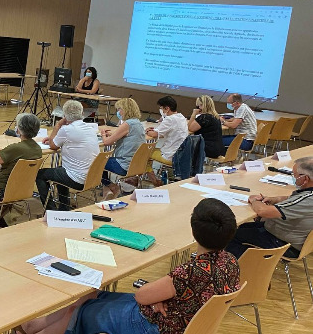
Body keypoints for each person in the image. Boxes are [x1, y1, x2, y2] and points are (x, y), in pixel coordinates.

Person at [19, 198, 240, 334]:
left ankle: (38, 330)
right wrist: (160, 297)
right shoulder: (231, 262)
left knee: (83, 308)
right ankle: (36, 326)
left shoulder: (189, 271)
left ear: (193, 230)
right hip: (186, 323)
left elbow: (142, 296)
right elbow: (181, 293)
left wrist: (155, 297)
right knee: (93, 294)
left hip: (155, 326)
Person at [226, 156, 313, 259]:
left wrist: (254, 201)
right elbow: (292, 199)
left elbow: (263, 211)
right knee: (242, 227)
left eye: (294, 175)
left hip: (285, 244)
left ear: (305, 179)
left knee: (229, 236)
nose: (293, 178)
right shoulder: (307, 193)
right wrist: (275, 199)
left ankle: (247, 266)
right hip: (289, 235)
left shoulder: (307, 199)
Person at [37, 100, 99, 211]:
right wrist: (53, 139)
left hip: (77, 179)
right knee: (60, 170)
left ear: (64, 115)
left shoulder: (66, 130)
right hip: (92, 176)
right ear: (82, 113)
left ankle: (51, 210)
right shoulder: (90, 128)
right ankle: (64, 208)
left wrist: (58, 125)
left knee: (40, 174)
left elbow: (53, 146)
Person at [100, 98, 145, 199]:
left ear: (125, 110)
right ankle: (107, 189)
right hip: (136, 165)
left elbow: (107, 142)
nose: (118, 112)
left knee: (96, 162)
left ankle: (110, 186)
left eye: (119, 109)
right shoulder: (138, 123)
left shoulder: (127, 124)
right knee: (103, 161)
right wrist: (113, 134)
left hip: (123, 165)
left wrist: (103, 134)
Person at [144, 96, 188, 186]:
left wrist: (147, 131)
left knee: (144, 154)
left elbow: (155, 134)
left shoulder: (170, 119)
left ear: (167, 108)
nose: (161, 111)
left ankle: (155, 181)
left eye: (161, 108)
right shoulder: (181, 117)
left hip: (171, 155)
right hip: (181, 154)